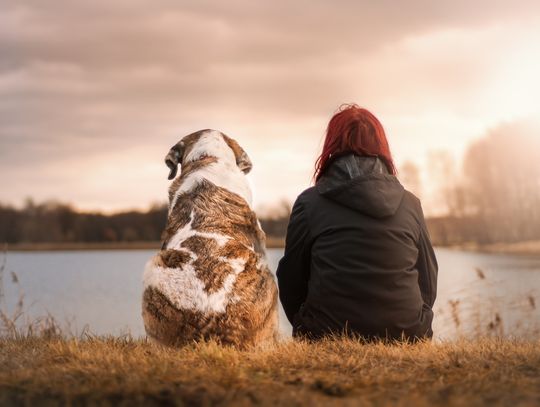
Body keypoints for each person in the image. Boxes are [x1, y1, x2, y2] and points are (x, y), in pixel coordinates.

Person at [276, 104, 438, 341]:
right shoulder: (410, 204)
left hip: (325, 334)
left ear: (331, 146)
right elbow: (428, 277)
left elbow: (290, 279)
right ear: (381, 146)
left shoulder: (309, 203)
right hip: (407, 334)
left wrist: (305, 324)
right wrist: (415, 321)